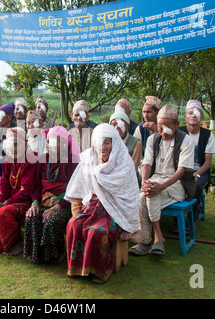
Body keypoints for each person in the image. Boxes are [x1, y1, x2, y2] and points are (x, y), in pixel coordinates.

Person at [64, 123, 140, 283]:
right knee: (74, 224)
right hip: (91, 207)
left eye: (107, 142)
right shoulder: (88, 159)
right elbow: (77, 188)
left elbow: (131, 196)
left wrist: (129, 226)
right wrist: (76, 211)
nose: (103, 147)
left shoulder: (124, 163)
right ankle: (77, 268)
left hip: (115, 211)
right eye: (99, 142)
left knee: (98, 231)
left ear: (115, 143)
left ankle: (100, 272)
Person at [129, 104, 195, 257]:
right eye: (160, 128)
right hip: (157, 180)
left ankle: (152, 238)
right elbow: (147, 163)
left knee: (151, 195)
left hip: (178, 184)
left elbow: (181, 171)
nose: (163, 131)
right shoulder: (153, 139)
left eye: (167, 127)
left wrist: (161, 186)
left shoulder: (186, 141)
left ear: (177, 124)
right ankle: (152, 237)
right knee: (142, 196)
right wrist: (145, 181)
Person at [24, 126, 80, 264]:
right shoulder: (43, 159)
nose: (48, 145)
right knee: (32, 217)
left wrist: (57, 207)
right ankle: (37, 254)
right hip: (44, 202)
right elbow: (36, 186)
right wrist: (35, 203)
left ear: (64, 143)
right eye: (47, 141)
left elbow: (75, 190)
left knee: (52, 221)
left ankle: (55, 254)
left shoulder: (72, 161)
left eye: (53, 142)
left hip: (65, 205)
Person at [0, 127, 37, 256]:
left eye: (17, 144)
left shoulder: (31, 160)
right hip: (9, 200)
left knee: (4, 211)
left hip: (26, 201)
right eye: (11, 144)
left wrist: (5, 203)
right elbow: (4, 185)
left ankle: (15, 243)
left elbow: (27, 190)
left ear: (25, 143)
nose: (14, 148)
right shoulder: (7, 161)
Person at [176, 100, 215, 228]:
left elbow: (208, 162)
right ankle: (176, 221)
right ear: (185, 117)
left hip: (201, 172)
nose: (193, 115)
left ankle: (191, 222)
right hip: (182, 170)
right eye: (190, 112)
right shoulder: (179, 132)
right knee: (173, 184)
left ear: (202, 117)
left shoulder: (207, 135)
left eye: (196, 113)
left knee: (197, 187)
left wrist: (196, 174)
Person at [109, 108, 142, 173]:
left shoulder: (136, 143)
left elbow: (133, 167)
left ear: (127, 126)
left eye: (120, 124)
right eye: (114, 124)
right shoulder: (107, 142)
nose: (117, 127)